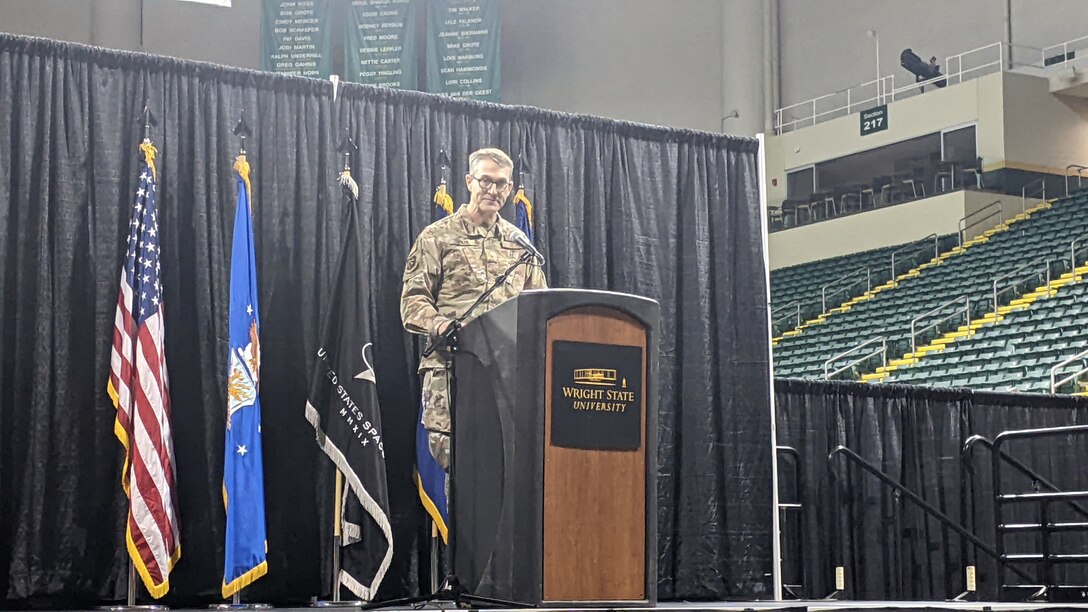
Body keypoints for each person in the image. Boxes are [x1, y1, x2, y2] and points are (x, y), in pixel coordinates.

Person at [400, 147, 548, 470]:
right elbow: (412, 302)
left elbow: (541, 310)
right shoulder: (437, 238)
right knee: (459, 480)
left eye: (501, 184)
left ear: (509, 190)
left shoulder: (520, 244)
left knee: (507, 474)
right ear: (469, 181)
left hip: (507, 382)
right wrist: (439, 324)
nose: (492, 190)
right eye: (485, 181)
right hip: (452, 375)